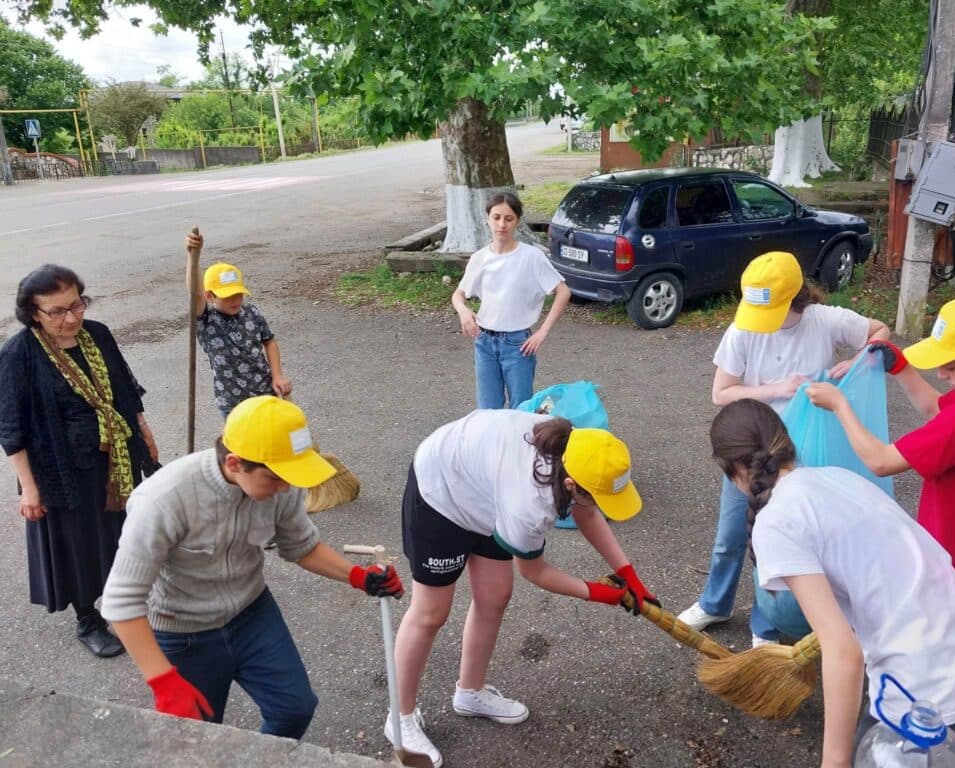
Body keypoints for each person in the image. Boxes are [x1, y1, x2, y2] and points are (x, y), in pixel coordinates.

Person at [709, 398, 955, 766]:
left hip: (926, 697)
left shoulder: (778, 519)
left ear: (733, 468)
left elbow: (842, 650)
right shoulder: (836, 477)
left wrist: (834, 760)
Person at [100, 396, 404, 738]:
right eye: (276, 479)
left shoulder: (280, 482)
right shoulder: (162, 501)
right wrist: (163, 680)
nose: (286, 488)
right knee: (196, 736)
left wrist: (358, 576)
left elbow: (300, 545)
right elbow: (120, 603)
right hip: (184, 632)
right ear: (234, 463)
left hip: (252, 615)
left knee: (295, 708)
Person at [388, 409, 657, 767]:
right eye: (597, 497)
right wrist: (602, 593)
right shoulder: (529, 504)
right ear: (571, 486)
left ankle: (470, 693)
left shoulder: (578, 451)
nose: (603, 508)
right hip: (442, 493)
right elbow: (535, 571)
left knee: (495, 595)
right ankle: (400, 717)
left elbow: (588, 512)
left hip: (486, 489)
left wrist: (627, 573)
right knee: (431, 612)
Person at [677, 251, 889, 646]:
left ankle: (767, 623)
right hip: (750, 449)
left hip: (801, 453)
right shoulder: (743, 330)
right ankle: (714, 603)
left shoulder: (826, 321)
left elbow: (880, 331)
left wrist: (860, 358)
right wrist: (775, 388)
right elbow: (721, 393)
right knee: (730, 535)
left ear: (796, 300)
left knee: (776, 542)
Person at [806, 294, 955, 608]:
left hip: (953, 566)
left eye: (950, 366)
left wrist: (839, 406)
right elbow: (939, 409)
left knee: (930, 643)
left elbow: (880, 461)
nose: (941, 375)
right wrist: (903, 368)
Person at [0, 265, 158, 658]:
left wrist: (144, 432)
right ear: (32, 313)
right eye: (57, 311)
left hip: (114, 459)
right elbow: (11, 428)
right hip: (60, 469)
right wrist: (29, 488)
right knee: (77, 544)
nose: (70, 318)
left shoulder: (98, 334)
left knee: (122, 532)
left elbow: (125, 388)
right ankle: (88, 618)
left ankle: (125, 603)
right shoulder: (19, 355)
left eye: (76, 305)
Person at [452, 192, 571, 409]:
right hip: (484, 341)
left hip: (518, 345)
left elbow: (562, 292)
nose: (501, 224)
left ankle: (523, 443)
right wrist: (463, 310)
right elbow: (458, 294)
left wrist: (542, 332)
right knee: (488, 411)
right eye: (496, 217)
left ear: (517, 221)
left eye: (509, 218)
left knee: (521, 409)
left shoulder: (531, 256)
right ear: (487, 218)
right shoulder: (480, 258)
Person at [185, 231, 292, 418]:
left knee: (273, 439)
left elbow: (270, 342)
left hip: (265, 392)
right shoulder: (207, 321)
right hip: (232, 403)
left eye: (238, 294)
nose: (235, 300)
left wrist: (277, 375)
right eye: (228, 296)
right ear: (210, 296)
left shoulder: (252, 313)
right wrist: (193, 256)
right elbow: (195, 293)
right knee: (243, 445)